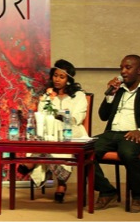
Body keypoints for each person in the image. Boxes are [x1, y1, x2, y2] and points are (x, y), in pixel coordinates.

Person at [93, 54, 140, 213]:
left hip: (133, 135)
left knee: (127, 152)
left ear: (139, 70)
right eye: (121, 68)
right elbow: (103, 116)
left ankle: (138, 195)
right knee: (84, 151)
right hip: (112, 133)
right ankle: (107, 190)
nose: (123, 72)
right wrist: (110, 94)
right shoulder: (117, 90)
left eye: (127, 67)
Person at [17, 59, 88, 203]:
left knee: (52, 140)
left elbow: (77, 118)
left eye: (62, 77)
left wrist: (60, 115)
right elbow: (42, 116)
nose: (57, 79)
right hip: (50, 131)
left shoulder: (79, 96)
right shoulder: (47, 95)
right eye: (55, 75)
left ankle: (31, 162)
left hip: (71, 131)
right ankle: (61, 184)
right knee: (46, 138)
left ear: (69, 79)